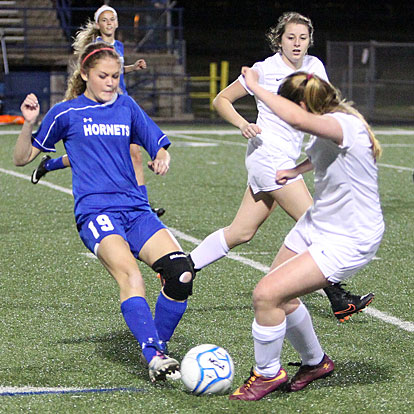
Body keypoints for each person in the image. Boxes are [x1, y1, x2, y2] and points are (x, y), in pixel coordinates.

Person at [13, 42, 195, 382]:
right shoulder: (66, 113)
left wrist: (163, 156)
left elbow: (156, 141)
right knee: (132, 276)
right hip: (97, 212)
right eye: (103, 76)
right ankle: (153, 354)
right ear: (85, 75)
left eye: (115, 76)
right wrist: (28, 123)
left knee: (181, 272)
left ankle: (155, 343)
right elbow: (21, 158)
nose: (111, 82)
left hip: (136, 210)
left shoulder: (126, 106)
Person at [188, 11, 373, 322]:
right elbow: (222, 99)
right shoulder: (264, 69)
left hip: (284, 159)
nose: (297, 43)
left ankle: (182, 267)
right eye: (291, 38)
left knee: (242, 231)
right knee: (318, 223)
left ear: (309, 41)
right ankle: (339, 298)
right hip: (268, 157)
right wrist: (242, 123)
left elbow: (324, 105)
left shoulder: (315, 67)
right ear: (279, 40)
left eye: (302, 38)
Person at [229, 69, 384, 401]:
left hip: (350, 238)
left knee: (265, 295)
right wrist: (294, 171)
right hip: (321, 222)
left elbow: (297, 120)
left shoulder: (342, 124)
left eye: (287, 107)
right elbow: (320, 154)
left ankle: (267, 374)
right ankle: (316, 363)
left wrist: (256, 88)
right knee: (279, 297)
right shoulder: (331, 120)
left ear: (301, 104)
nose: (283, 116)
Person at [30, 5, 166, 218]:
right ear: (98, 24)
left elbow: (116, 71)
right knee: (89, 152)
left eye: (113, 19)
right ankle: (50, 164)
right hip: (102, 107)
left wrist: (132, 68)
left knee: (134, 153)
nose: (109, 23)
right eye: (105, 20)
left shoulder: (118, 45)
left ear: (117, 22)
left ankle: (143, 206)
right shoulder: (96, 48)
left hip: (120, 106)